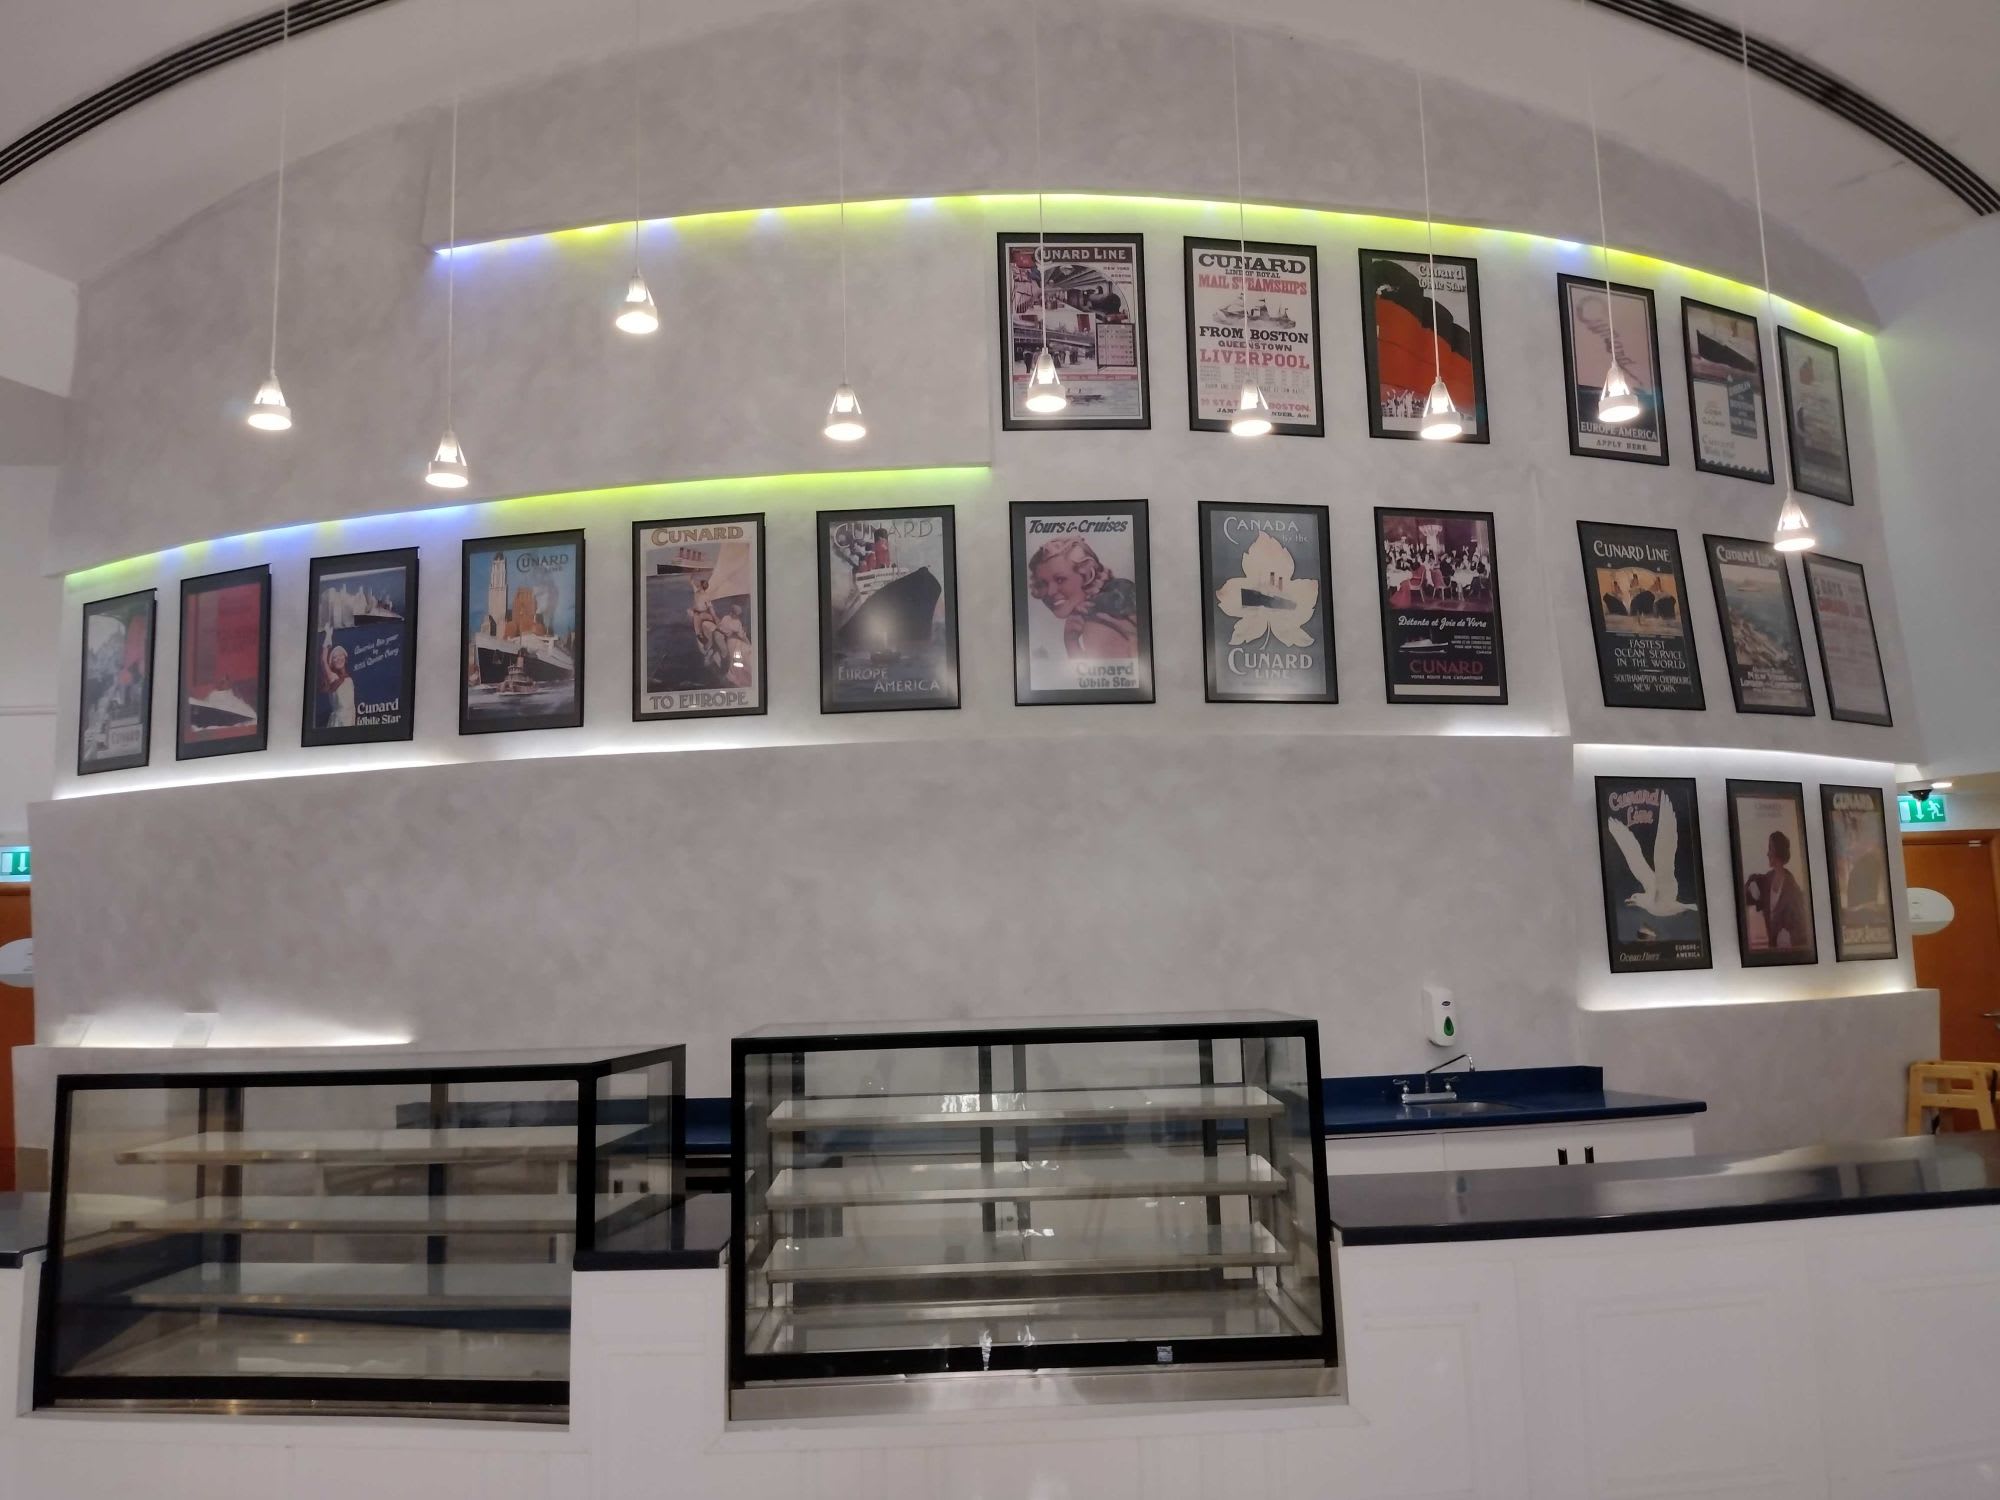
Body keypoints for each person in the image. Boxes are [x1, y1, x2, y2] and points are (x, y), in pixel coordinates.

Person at [1027, 535, 1140, 660]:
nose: (1050, 592)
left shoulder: (1106, 614)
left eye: (1060, 579)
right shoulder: (1086, 617)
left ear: (1087, 575)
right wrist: (1071, 642)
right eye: (1043, 584)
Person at [1743, 828, 1810, 951]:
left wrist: (1789, 936)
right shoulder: (1765, 880)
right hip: (1772, 949)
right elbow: (1746, 896)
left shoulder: (1792, 889)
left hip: (1787, 951)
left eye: (1770, 849)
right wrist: (1751, 887)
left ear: (1778, 852)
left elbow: (1801, 928)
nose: (1767, 854)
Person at [318, 622, 355, 728]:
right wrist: (328, 636)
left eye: (340, 655)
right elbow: (323, 660)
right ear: (332, 663)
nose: (338, 659)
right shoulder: (333, 677)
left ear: (345, 658)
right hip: (339, 723)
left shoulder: (348, 679)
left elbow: (351, 706)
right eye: (335, 657)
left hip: (350, 720)